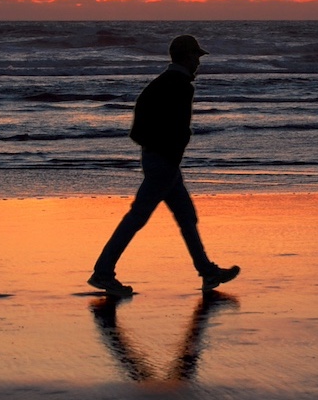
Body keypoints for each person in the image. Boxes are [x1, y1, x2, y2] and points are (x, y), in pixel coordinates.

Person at [88, 34, 240, 296]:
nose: (198, 63)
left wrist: (158, 148)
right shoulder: (180, 85)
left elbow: (139, 127)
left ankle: (207, 271)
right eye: (195, 57)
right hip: (165, 163)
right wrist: (172, 150)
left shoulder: (158, 84)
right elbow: (178, 128)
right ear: (186, 57)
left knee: (185, 216)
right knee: (138, 217)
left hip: (160, 160)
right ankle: (102, 272)